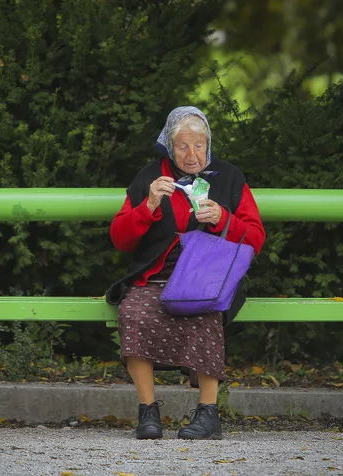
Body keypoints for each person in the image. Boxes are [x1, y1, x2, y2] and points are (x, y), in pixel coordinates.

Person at [106, 106, 266, 440]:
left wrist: (223, 219)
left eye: (199, 145)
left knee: (205, 315)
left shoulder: (230, 177)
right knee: (132, 313)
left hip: (206, 277)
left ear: (209, 144)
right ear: (168, 145)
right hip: (156, 275)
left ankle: (208, 415)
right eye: (182, 146)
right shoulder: (151, 177)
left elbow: (256, 238)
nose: (192, 154)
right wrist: (148, 206)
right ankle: (148, 413)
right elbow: (120, 238)